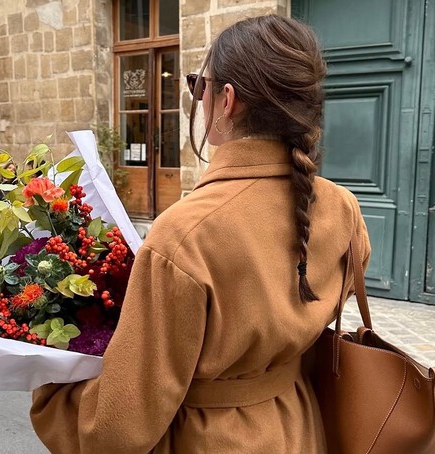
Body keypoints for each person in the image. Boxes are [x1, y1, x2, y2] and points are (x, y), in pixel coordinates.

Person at [30, 14, 370, 453]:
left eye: (198, 85)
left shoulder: (184, 235)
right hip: (301, 428)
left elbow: (116, 431)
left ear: (227, 100)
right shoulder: (343, 206)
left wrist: (50, 391)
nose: (198, 96)